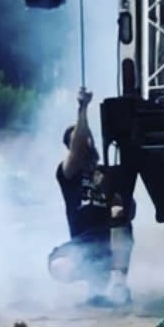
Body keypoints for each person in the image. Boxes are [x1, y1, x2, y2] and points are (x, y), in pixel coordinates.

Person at [48, 87, 134, 307]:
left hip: (105, 245)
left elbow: (127, 210)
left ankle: (117, 286)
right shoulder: (68, 174)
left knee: (121, 221)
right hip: (81, 246)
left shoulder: (106, 174)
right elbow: (77, 149)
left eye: (89, 140)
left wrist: (115, 198)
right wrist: (83, 108)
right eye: (79, 140)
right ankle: (94, 287)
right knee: (59, 264)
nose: (86, 144)